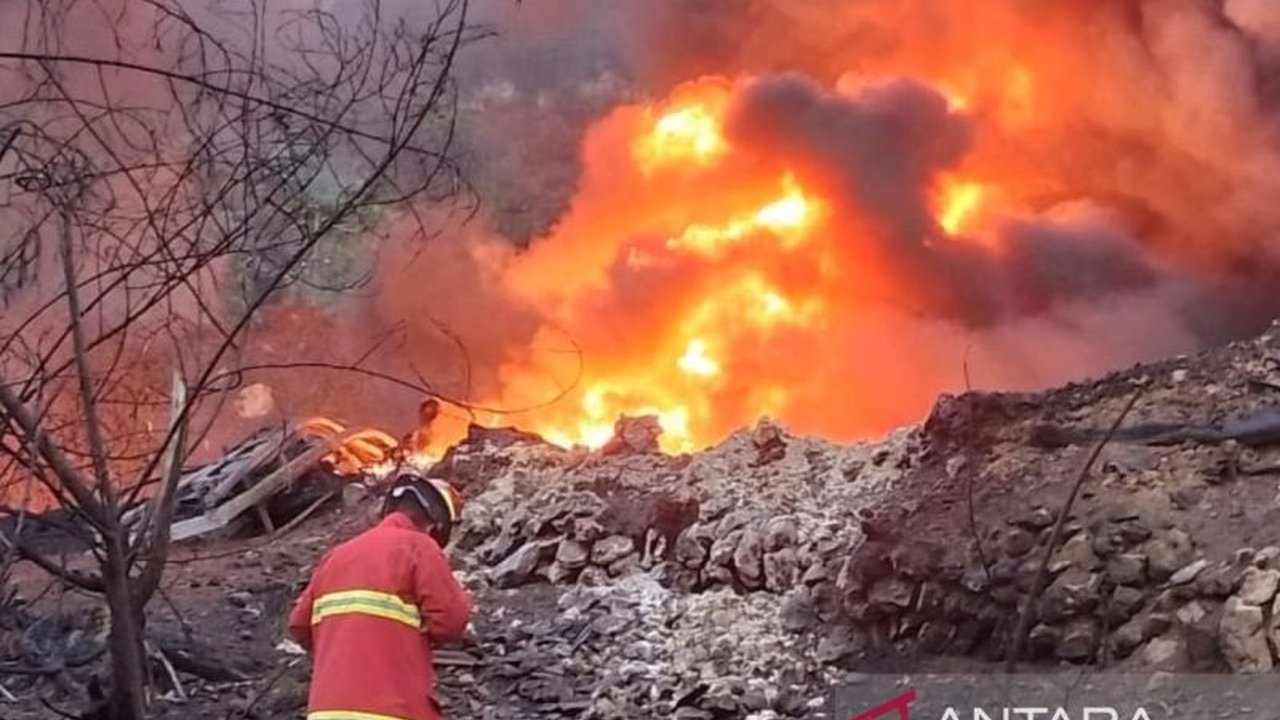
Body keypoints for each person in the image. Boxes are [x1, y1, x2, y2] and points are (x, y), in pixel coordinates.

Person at [288, 474, 472, 720]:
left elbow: (299, 625)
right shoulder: (419, 547)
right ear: (433, 525)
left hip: (326, 710)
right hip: (392, 709)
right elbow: (450, 622)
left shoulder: (336, 556)